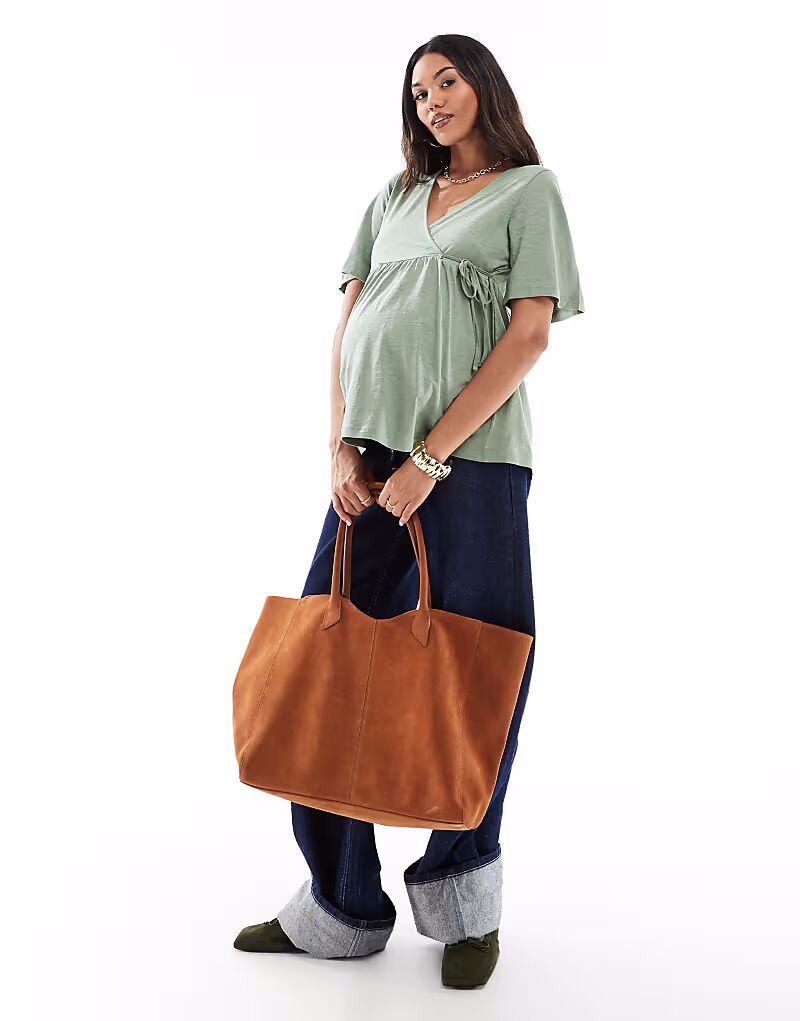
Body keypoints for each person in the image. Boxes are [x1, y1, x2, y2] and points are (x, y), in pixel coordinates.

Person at [233, 33, 584, 989]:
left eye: (448, 80)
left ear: (484, 86)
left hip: (472, 465)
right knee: (324, 661)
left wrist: (434, 457)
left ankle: (465, 900)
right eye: (419, 89)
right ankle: (340, 905)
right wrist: (339, 444)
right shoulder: (392, 197)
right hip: (368, 460)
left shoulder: (530, 192)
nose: (432, 100)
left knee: (476, 671)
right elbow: (349, 324)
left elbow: (529, 337)